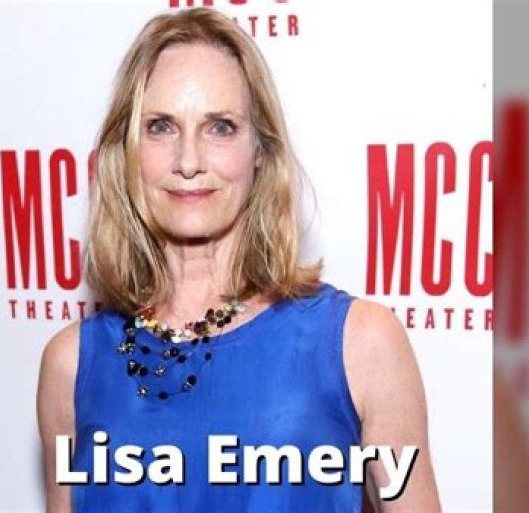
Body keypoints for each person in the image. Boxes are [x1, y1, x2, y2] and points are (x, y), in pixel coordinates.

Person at [37, 7, 440, 513]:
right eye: (160, 126)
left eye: (220, 127)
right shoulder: (72, 364)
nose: (188, 161)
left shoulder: (360, 343)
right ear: (126, 151)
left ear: (260, 152)